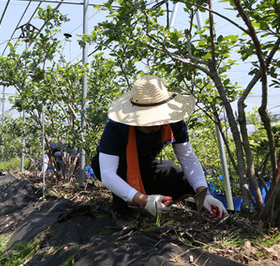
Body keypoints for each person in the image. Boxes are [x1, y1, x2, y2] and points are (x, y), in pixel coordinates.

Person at [91, 75, 227, 219]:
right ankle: (125, 206)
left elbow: (187, 158)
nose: (155, 123)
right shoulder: (117, 127)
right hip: (119, 170)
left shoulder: (174, 121)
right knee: (124, 206)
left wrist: (204, 194)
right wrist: (144, 201)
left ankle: (204, 207)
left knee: (180, 178)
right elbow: (108, 174)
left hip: (146, 167)